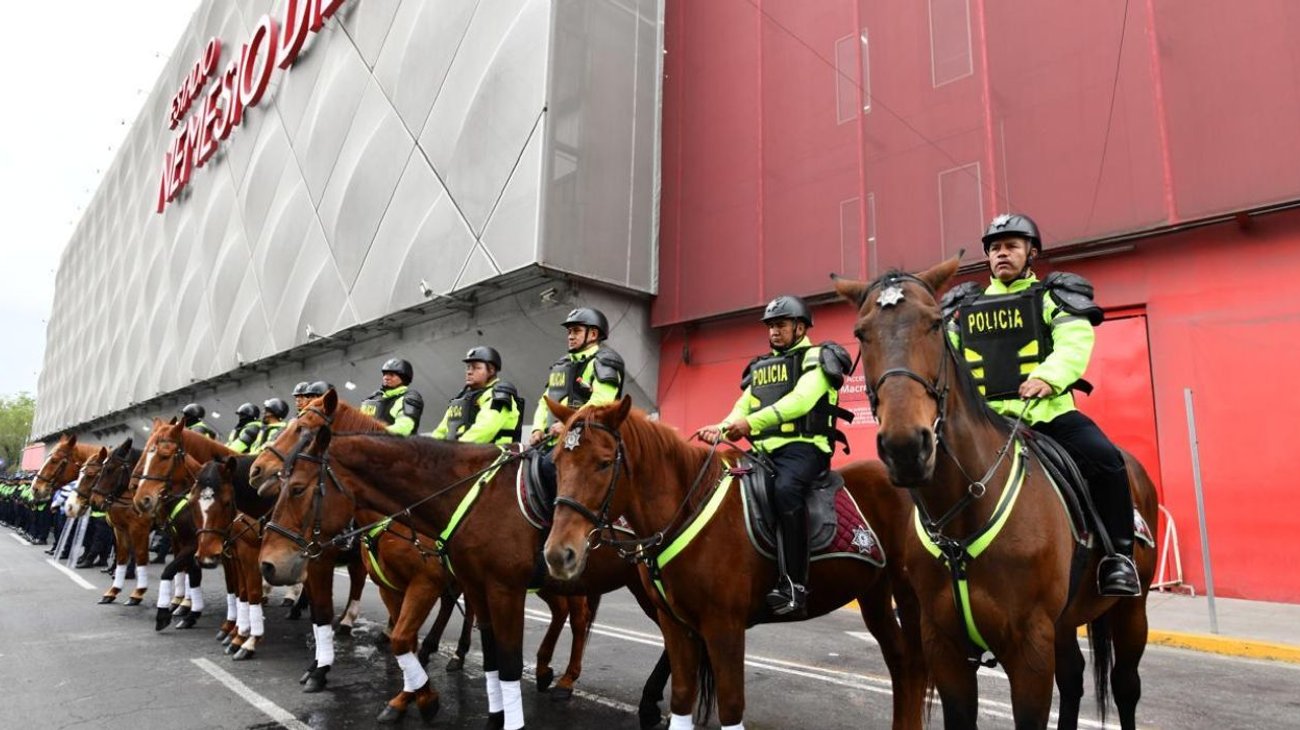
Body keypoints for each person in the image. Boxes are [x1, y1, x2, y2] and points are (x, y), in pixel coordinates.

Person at [941, 213, 1141, 597]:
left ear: (1031, 252)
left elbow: (1074, 343)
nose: (1003, 254)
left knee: (1106, 459)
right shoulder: (962, 306)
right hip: (984, 425)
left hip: (1049, 416)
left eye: (1012, 246)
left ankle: (1119, 557)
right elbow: (945, 357)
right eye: (996, 248)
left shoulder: (1053, 296)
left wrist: (1047, 378)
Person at [694, 295, 853, 617]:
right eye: (770, 326)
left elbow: (801, 401)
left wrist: (749, 423)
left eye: (780, 325)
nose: (774, 332)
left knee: (785, 491)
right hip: (764, 451)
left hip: (805, 449)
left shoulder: (817, 358)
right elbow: (742, 407)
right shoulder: (762, 367)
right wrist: (722, 429)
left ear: (799, 327)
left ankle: (795, 583)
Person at [528, 308, 626, 501]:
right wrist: (537, 430)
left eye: (576, 331)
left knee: (548, 466)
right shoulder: (561, 365)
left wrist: (569, 423)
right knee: (522, 465)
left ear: (594, 334)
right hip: (553, 441)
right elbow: (545, 401)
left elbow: (601, 401)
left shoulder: (605, 361)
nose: (570, 337)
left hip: (585, 440)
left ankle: (557, 522)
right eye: (569, 332)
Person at [428, 347, 524, 445]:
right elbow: (441, 430)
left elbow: (485, 430)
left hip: (495, 456)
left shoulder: (499, 395)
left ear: (491, 370)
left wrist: (453, 450)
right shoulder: (461, 397)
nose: (469, 372)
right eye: (468, 367)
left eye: (476, 368)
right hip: (461, 454)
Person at [360, 359, 424, 436]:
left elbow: (404, 428)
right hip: (366, 444)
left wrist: (374, 435)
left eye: (391, 375)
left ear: (403, 378)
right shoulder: (373, 397)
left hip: (397, 446)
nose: (386, 377)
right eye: (385, 374)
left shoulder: (410, 398)